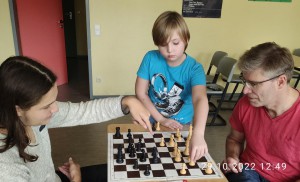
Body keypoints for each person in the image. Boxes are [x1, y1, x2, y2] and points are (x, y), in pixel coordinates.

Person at [0, 56, 153, 182]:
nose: (56, 109)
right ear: (18, 109)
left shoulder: (30, 117)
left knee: (125, 171)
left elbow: (83, 111)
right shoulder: (6, 168)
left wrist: (126, 101)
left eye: (55, 100)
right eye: (46, 106)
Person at [135, 11, 209, 162]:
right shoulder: (150, 58)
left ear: (186, 39)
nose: (169, 50)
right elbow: (141, 93)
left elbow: (200, 99)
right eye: (163, 44)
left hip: (181, 124)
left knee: (176, 161)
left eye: (175, 43)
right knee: (147, 159)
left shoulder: (195, 68)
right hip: (151, 117)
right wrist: (161, 119)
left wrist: (199, 134)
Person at [222, 42, 300, 182]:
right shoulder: (247, 103)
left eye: (254, 84)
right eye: (244, 82)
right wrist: (232, 157)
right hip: (248, 172)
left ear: (281, 82)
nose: (245, 91)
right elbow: (234, 139)